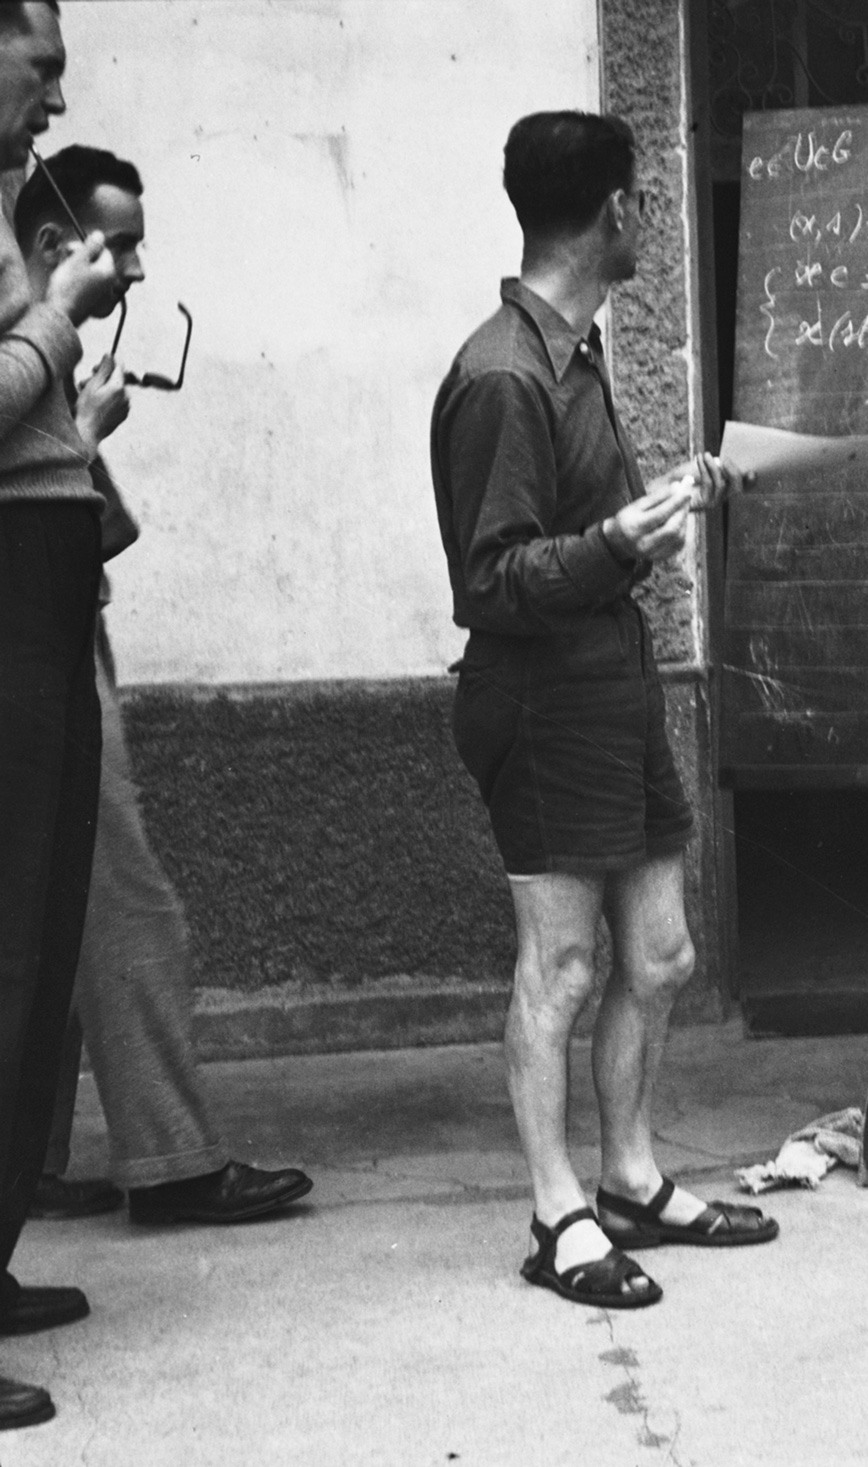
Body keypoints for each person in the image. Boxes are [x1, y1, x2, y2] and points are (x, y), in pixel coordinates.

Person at [432, 111, 770, 1311]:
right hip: (542, 704)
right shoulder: (501, 375)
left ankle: (630, 1178)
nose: (649, 215)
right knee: (563, 967)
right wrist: (612, 544)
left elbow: (580, 533)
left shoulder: (572, 352)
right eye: (643, 199)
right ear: (616, 213)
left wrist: (662, 500)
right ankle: (556, 1213)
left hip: (613, 690)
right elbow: (490, 580)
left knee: (663, 953)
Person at [14, 145, 314, 1229]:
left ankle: (33, 1168)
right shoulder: (33, 329)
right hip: (32, 644)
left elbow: (95, 529)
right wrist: (80, 429)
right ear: (59, 245)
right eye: (121, 244)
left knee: (48, 913)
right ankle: (175, 1162)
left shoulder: (43, 346)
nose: (135, 273)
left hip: (53, 629)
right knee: (127, 903)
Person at [0, 0, 126, 1431]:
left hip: (40, 572)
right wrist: (56, 317)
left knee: (35, 943)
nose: (54, 98)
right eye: (40, 67)